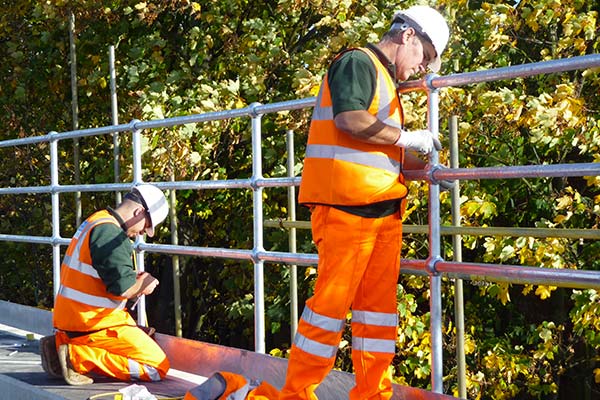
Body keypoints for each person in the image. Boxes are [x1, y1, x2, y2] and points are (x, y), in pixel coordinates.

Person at [279, 6, 450, 400]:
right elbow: (350, 120)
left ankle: (374, 395)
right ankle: (293, 394)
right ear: (408, 35)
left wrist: (420, 155)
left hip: (381, 213)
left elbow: (378, 147)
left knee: (377, 317)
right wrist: (407, 139)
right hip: (346, 211)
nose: (422, 68)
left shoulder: (385, 81)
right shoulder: (358, 62)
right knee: (328, 311)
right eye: (424, 56)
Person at [39, 184, 170, 385]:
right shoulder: (112, 235)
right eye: (146, 225)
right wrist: (145, 283)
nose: (143, 232)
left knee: (144, 342)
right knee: (156, 366)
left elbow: (102, 277)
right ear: (139, 212)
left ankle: (66, 346)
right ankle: (76, 357)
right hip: (92, 325)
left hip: (78, 321)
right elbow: (123, 289)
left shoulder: (97, 221)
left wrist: (132, 278)